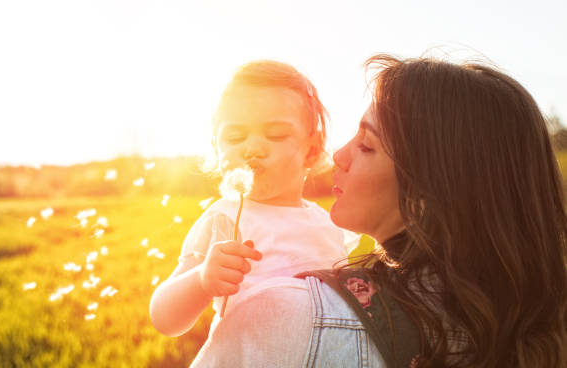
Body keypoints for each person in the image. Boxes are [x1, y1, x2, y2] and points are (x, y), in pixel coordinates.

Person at [182, 54, 567, 367]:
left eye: (366, 145)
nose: (339, 155)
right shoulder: (524, 322)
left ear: (428, 190)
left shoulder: (282, 314)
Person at [148, 61, 358, 361]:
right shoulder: (226, 218)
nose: (253, 148)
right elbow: (164, 318)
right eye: (235, 138)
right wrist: (202, 280)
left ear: (311, 150)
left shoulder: (327, 224)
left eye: (275, 135)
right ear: (216, 148)